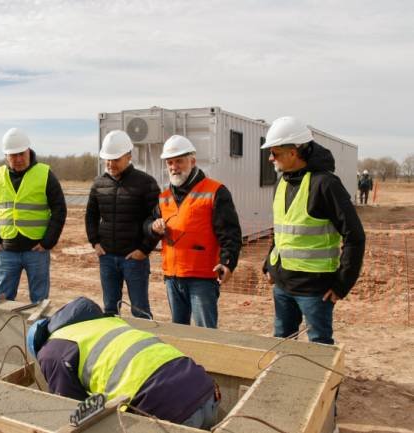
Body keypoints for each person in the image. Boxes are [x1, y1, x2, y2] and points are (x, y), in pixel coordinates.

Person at [27, 297, 220, 429]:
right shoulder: (108, 322)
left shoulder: (50, 352)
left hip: (171, 411)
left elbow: (73, 409)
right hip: (206, 391)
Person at [261, 116, 365, 344]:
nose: (270, 158)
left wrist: (342, 284)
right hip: (282, 285)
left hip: (314, 290)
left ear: (294, 152)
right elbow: (281, 231)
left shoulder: (326, 184)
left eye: (275, 153)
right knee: (281, 343)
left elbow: (355, 237)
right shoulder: (282, 183)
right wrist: (269, 265)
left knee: (319, 347)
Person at [145, 135, 242, 328]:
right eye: (170, 162)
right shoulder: (164, 197)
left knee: (206, 333)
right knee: (179, 332)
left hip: (202, 279)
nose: (174, 167)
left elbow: (230, 233)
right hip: (172, 278)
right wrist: (152, 227)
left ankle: (207, 360)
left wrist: (228, 262)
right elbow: (149, 222)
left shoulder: (215, 191)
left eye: (179, 161)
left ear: (192, 161)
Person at [0, 128, 67, 302]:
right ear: (6, 155)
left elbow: (59, 209)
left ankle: (38, 330)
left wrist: (47, 242)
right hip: (6, 251)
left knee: (40, 303)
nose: (18, 159)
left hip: (36, 251)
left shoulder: (45, 174)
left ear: (29, 150)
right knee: (2, 301)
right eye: (13, 155)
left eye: (21, 154)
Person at [85, 130, 160, 318]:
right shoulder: (98, 184)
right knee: (110, 310)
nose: (110, 164)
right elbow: (91, 215)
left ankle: (144, 347)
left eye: (116, 159)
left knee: (140, 310)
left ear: (128, 156)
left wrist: (144, 250)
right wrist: (95, 242)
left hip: (134, 259)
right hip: (107, 258)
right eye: (107, 159)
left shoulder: (146, 183)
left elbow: (157, 220)